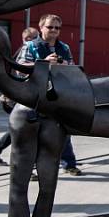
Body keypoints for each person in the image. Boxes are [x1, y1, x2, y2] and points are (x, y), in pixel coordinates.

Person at [19, 14, 82, 176]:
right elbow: (20, 68)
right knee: (33, 133)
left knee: (63, 130)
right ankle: (30, 169)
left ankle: (68, 164)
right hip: (35, 95)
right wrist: (44, 63)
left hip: (58, 95)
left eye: (57, 27)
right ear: (41, 27)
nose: (54, 30)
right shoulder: (31, 46)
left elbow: (72, 68)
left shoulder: (64, 47)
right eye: (50, 27)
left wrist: (65, 65)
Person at [0, 26, 39, 165]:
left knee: (21, 128)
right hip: (15, 97)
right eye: (34, 38)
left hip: (16, 95)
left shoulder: (28, 51)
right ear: (26, 39)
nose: (37, 40)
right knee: (22, 128)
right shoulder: (24, 52)